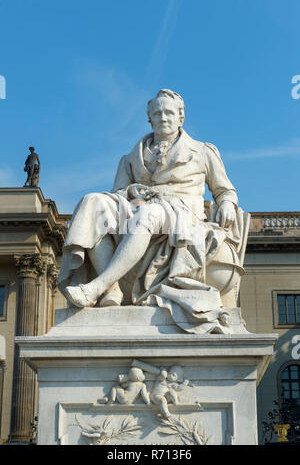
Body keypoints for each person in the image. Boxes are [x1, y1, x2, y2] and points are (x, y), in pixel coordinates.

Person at [59, 89, 241, 334]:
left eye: (168, 112)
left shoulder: (203, 151)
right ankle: (112, 290)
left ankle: (97, 286)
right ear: (150, 118)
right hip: (139, 205)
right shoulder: (131, 157)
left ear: (180, 118)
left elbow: (225, 190)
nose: (163, 117)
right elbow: (118, 193)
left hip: (182, 212)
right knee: (93, 203)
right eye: (157, 113)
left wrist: (228, 203)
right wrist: (132, 190)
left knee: (149, 215)